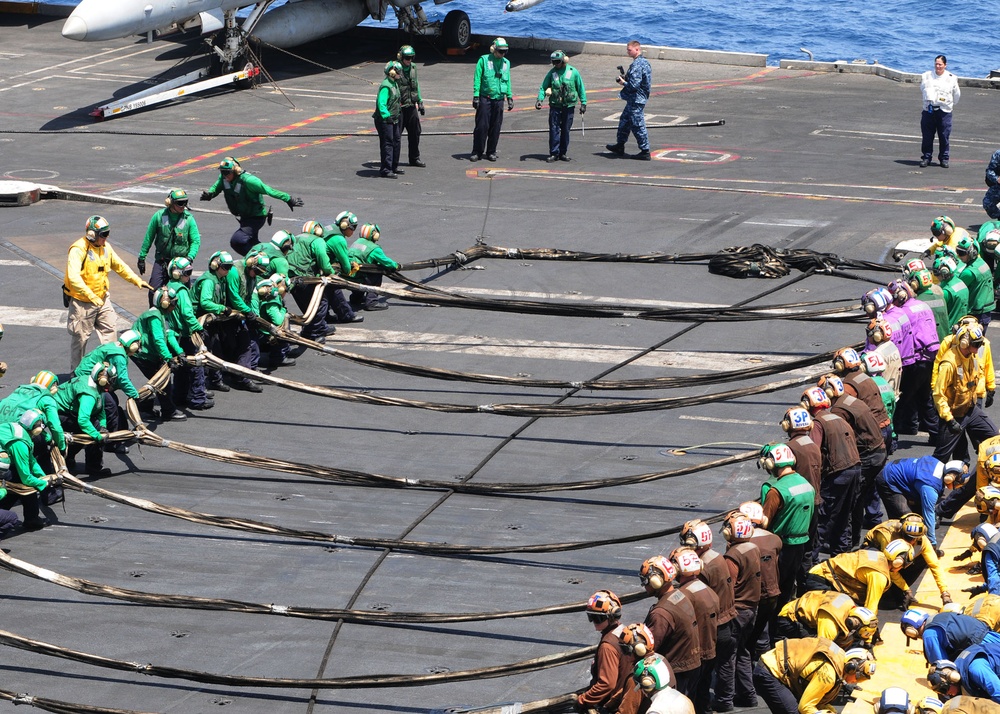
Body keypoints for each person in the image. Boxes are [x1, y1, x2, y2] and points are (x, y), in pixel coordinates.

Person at [64, 215, 151, 370]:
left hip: (102, 299)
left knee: (110, 331)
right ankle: (76, 374)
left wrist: (137, 280)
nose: (107, 237)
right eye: (103, 234)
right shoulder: (78, 250)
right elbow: (73, 277)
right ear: (92, 234)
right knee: (80, 339)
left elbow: (120, 266)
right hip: (83, 303)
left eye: (107, 233)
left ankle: (109, 370)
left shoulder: (105, 248)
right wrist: (91, 296)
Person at [679, 519, 737, 713]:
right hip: (727, 620)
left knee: (700, 679)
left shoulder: (702, 569)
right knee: (725, 665)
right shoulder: (718, 557)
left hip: (713, 627)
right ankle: (724, 701)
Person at [800, 386, 861, 558]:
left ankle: (811, 559)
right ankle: (841, 555)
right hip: (855, 469)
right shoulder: (837, 418)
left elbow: (814, 452)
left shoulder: (818, 424)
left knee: (824, 518)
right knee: (843, 516)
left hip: (838, 474)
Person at [200, 157, 303, 256]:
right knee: (253, 243)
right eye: (222, 172)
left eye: (226, 172)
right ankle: (273, 255)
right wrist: (210, 194)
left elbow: (269, 190)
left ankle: (261, 257)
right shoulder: (224, 178)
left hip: (256, 217)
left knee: (237, 240)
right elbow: (216, 187)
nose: (224, 175)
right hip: (244, 216)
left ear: (235, 171)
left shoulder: (249, 181)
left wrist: (288, 199)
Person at [756, 444, 814, 611]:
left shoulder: (776, 491)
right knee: (788, 587)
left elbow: (764, 523)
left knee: (773, 588)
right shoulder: (805, 484)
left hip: (781, 546)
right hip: (801, 543)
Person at [753, 638, 874, 714]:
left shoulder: (840, 656)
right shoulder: (828, 676)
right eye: (857, 678)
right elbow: (805, 707)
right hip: (770, 671)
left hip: (779, 665)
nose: (854, 682)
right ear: (850, 668)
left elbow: (817, 700)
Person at [933, 323, 998, 463]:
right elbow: (938, 394)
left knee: (994, 437)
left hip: (970, 410)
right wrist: (949, 420)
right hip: (953, 415)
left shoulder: (972, 356)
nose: (978, 348)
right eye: (976, 345)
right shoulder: (949, 364)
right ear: (964, 344)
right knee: (940, 458)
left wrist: (989, 389)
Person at [639, 555, 702, 699]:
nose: (644, 585)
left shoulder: (660, 614)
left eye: (645, 581)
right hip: (691, 664)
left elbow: (649, 647)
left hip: (677, 670)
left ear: (656, 582)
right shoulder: (679, 595)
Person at [716, 511, 761, 711]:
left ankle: (725, 700)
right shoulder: (753, 548)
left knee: (727, 658)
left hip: (738, 612)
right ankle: (748, 695)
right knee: (742, 652)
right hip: (752, 609)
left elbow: (728, 587)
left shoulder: (732, 557)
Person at [876, 457, 968, 549]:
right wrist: (932, 543)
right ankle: (894, 548)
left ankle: (915, 547)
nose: (957, 487)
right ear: (950, 478)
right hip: (889, 480)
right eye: (958, 483)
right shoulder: (930, 487)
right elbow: (929, 514)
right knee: (909, 521)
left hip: (902, 475)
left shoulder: (940, 467)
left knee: (919, 520)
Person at [669, 546, 719, 714]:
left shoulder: (684, 595)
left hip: (696, 654)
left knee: (687, 696)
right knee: (703, 692)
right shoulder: (707, 589)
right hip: (710, 648)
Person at [863, 513, 952, 604]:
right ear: (900, 531)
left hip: (894, 563)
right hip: (874, 551)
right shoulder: (887, 536)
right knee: (880, 579)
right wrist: (906, 589)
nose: (909, 542)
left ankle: (896, 588)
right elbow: (888, 567)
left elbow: (935, 565)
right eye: (907, 537)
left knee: (924, 558)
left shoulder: (923, 540)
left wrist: (944, 592)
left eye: (913, 539)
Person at [805, 539, 915, 611]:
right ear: (898, 562)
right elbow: (871, 607)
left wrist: (906, 589)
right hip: (822, 581)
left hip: (820, 574)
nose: (901, 568)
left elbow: (893, 575)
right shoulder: (879, 576)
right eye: (903, 565)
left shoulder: (879, 557)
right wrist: (869, 638)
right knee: (838, 612)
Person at [131, 288, 188, 420]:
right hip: (142, 355)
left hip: (150, 354)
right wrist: (168, 358)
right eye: (172, 303)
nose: (174, 306)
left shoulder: (164, 315)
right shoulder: (154, 317)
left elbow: (169, 335)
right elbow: (158, 340)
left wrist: (180, 352)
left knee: (159, 381)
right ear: (164, 303)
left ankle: (145, 409)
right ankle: (168, 411)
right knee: (162, 381)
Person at [164, 257, 211, 410]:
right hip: (184, 334)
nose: (189, 276)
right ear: (178, 273)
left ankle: (180, 397)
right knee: (196, 366)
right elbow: (187, 313)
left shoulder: (169, 287)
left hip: (174, 335)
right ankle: (198, 399)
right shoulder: (182, 291)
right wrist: (198, 327)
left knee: (181, 369)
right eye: (187, 273)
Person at [137, 189, 200, 302]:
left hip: (181, 263)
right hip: (162, 261)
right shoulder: (159, 216)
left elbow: (195, 241)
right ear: (170, 203)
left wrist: (190, 257)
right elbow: (149, 237)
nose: (183, 206)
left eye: (185, 202)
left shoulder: (189, 219)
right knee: (153, 291)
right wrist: (142, 257)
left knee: (185, 295)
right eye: (180, 203)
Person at [0, 410, 58, 530]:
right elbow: (26, 477)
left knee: (19, 482)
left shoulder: (17, 429)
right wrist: (43, 483)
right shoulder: (19, 443)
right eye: (41, 425)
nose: (42, 428)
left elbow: (31, 459)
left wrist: (42, 475)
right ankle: (31, 519)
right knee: (22, 482)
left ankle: (6, 511)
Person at [577, 589, 632, 712]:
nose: (593, 622)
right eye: (591, 617)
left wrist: (583, 700)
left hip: (611, 705)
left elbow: (607, 684)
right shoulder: (624, 631)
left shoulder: (607, 646)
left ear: (611, 616)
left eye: (597, 618)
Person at [192, 250, 235, 396]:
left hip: (212, 321)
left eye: (230, 267)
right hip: (201, 322)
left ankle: (216, 380)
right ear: (216, 266)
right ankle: (202, 385)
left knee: (216, 349)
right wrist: (222, 308)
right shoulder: (209, 281)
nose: (228, 270)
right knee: (204, 353)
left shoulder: (220, 279)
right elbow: (205, 302)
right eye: (226, 267)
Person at [774, 591, 877, 649]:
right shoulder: (830, 625)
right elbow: (821, 649)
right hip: (788, 619)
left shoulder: (850, 605)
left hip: (804, 610)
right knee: (814, 644)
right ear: (851, 623)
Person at [535, 50, 586, 162]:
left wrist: (583, 103)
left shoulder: (573, 72)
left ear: (563, 60)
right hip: (555, 106)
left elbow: (580, 87)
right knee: (554, 129)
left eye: (557, 62)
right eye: (553, 62)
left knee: (566, 130)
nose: (555, 64)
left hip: (569, 106)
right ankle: (554, 153)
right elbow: (543, 87)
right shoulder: (552, 73)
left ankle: (563, 152)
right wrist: (540, 99)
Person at [607, 40, 652, 161]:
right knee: (625, 121)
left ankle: (645, 150)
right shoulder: (643, 63)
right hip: (634, 99)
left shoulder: (637, 64)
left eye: (629, 50)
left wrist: (623, 82)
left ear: (637, 49)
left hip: (636, 99)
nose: (628, 52)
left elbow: (634, 86)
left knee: (637, 124)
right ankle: (620, 145)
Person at [901, 609, 1000, 664]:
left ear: (912, 631)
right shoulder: (943, 615)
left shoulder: (929, 634)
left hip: (981, 648)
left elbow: (941, 665)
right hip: (991, 635)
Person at [470, 38, 512, 162]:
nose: (502, 54)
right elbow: (477, 78)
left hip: (499, 99)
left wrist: (509, 97)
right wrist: (476, 96)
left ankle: (491, 151)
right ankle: (477, 151)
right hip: (485, 98)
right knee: (482, 126)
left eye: (505, 52)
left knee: (496, 127)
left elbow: (507, 80)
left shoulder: (506, 63)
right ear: (494, 49)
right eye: (500, 52)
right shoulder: (483, 60)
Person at [919, 55, 960, 168]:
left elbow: (956, 95)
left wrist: (950, 105)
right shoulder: (926, 76)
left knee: (944, 136)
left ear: (945, 65)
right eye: (936, 64)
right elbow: (922, 89)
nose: (938, 66)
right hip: (929, 110)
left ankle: (944, 158)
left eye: (940, 64)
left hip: (944, 111)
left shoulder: (951, 78)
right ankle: (926, 157)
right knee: (927, 136)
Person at [322, 212, 363, 324]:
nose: (353, 231)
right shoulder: (338, 240)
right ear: (344, 225)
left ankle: (325, 316)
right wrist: (350, 270)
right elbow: (345, 265)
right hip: (320, 268)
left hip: (314, 265)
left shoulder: (328, 230)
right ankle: (346, 315)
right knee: (334, 287)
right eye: (353, 227)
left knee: (325, 293)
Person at [348, 223, 398, 312]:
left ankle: (356, 298)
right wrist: (396, 265)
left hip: (349, 275)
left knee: (363, 270)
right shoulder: (374, 249)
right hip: (360, 277)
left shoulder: (356, 242)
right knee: (377, 273)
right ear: (374, 235)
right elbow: (386, 262)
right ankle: (372, 301)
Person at [956, 236, 996, 332]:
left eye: (961, 253)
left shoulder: (969, 272)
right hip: (986, 308)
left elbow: (957, 290)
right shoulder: (981, 262)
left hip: (976, 312)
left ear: (971, 253)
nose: (959, 256)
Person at [932, 648, 1000, 704]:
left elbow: (998, 693)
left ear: (953, 679)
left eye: (944, 689)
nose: (945, 694)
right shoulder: (959, 670)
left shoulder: (976, 669)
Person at [396, 45, 425, 169]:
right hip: (399, 107)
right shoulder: (395, 68)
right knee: (396, 136)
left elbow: (416, 85)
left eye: (411, 58)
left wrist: (420, 101)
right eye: (407, 58)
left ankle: (414, 158)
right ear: (401, 57)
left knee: (415, 132)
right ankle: (393, 162)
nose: (409, 60)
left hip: (411, 105)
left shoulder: (413, 68)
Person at [374, 60, 403, 179]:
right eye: (398, 71)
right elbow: (381, 103)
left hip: (394, 118)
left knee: (396, 141)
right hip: (385, 120)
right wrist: (387, 116)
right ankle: (386, 169)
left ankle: (393, 166)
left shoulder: (394, 83)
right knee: (388, 143)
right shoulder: (386, 86)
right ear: (392, 72)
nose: (400, 73)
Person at [934, 254, 971, 331]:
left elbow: (936, 310)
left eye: (936, 273)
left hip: (950, 329)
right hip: (961, 326)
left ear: (943, 273)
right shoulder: (960, 282)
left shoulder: (946, 291)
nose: (936, 276)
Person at [984, 150, 1000, 220]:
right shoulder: (998, 154)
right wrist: (997, 179)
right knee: (987, 203)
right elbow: (990, 171)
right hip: (999, 185)